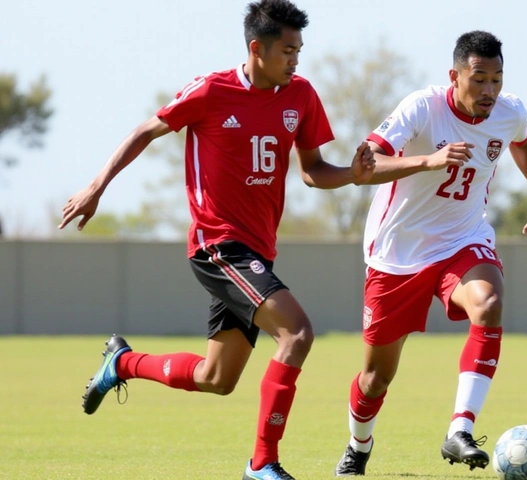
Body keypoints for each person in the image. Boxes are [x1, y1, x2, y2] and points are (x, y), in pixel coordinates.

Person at [58, 1, 375, 479]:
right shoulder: (211, 90)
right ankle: (262, 464)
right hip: (218, 246)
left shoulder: (301, 95)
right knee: (297, 333)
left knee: (217, 378)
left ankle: (122, 364)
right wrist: (96, 187)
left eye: (299, 51)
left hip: (257, 253)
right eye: (288, 51)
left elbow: (312, 172)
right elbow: (147, 130)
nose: (296, 60)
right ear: (257, 48)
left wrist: (352, 174)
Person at [334, 30, 527, 476]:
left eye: (497, 79)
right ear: (454, 76)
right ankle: (358, 446)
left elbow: (522, 142)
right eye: (479, 80)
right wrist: (429, 161)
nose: (489, 91)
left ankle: (460, 428)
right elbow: (366, 167)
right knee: (376, 379)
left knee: (489, 304)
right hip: (398, 254)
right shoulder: (421, 107)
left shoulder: (508, 111)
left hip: (462, 239)